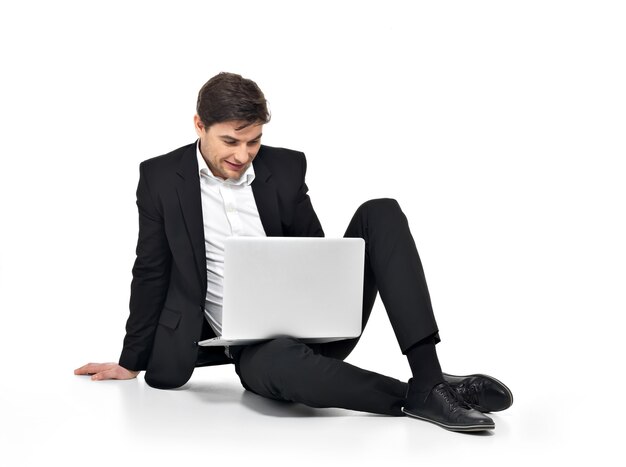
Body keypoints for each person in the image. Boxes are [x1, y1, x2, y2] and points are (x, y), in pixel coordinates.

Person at [75, 72, 513, 432]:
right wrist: (131, 360)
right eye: (231, 141)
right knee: (286, 369)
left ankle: (429, 373)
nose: (244, 155)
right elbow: (150, 269)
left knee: (381, 212)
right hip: (255, 351)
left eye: (254, 142)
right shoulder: (159, 178)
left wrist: (319, 301)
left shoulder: (284, 168)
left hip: (318, 320)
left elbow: (318, 255)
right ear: (198, 126)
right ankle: (426, 392)